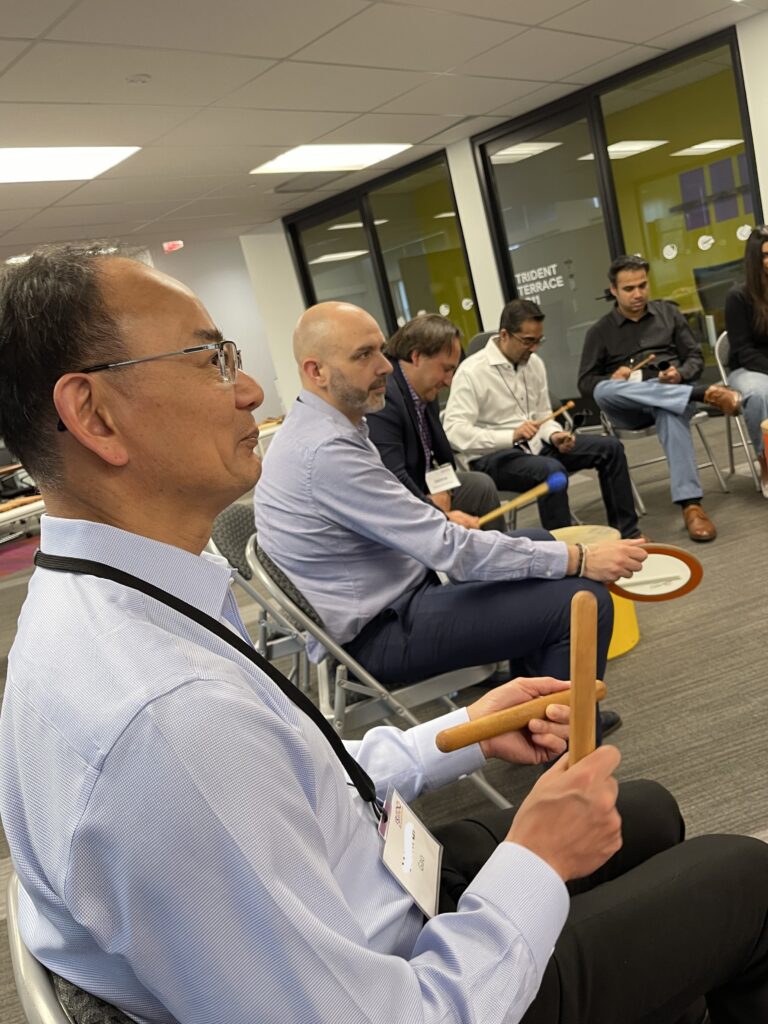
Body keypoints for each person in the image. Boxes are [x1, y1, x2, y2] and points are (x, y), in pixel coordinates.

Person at [2, 248, 768, 1024]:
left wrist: (465, 730)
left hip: (370, 876)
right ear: (94, 414)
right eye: (210, 359)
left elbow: (298, 779)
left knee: (647, 813)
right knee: (744, 876)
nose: (247, 389)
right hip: (408, 975)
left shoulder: (109, 603)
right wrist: (534, 861)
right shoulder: (168, 721)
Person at [254, 301, 646, 710]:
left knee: (538, 539)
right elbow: (450, 550)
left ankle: (531, 719)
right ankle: (567, 755)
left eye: (380, 350)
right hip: (378, 634)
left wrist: (559, 556)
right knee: (584, 603)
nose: (386, 366)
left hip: (391, 599)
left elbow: (426, 530)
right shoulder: (326, 451)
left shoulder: (324, 428)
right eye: (363, 355)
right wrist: (580, 559)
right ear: (316, 372)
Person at [442, 299, 642, 538]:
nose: (534, 348)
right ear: (504, 335)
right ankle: (560, 549)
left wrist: (554, 434)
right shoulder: (471, 371)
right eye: (528, 341)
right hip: (492, 458)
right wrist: (510, 436)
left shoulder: (534, 363)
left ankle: (628, 534)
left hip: (536, 448)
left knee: (611, 448)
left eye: (539, 341)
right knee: (551, 471)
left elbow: (542, 417)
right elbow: (454, 432)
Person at [579, 254, 743, 542]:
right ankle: (704, 394)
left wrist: (679, 375)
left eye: (643, 286)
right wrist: (612, 378)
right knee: (604, 389)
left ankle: (691, 506)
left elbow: (693, 357)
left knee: (668, 409)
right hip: (629, 406)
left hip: (670, 394)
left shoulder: (669, 314)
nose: (638, 294)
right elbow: (586, 384)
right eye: (629, 289)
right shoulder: (600, 332)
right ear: (614, 290)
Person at [367, 313, 500, 528]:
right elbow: (394, 479)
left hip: (425, 483)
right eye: (446, 369)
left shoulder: (425, 386)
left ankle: (495, 556)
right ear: (417, 356)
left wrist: (444, 489)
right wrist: (440, 514)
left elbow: (439, 453)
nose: (450, 381)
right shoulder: (386, 396)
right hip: (401, 499)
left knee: (480, 486)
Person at [724, 225, 768, 497]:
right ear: (754, 260)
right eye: (764, 255)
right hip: (747, 367)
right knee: (762, 393)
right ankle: (766, 462)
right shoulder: (738, 296)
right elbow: (743, 350)